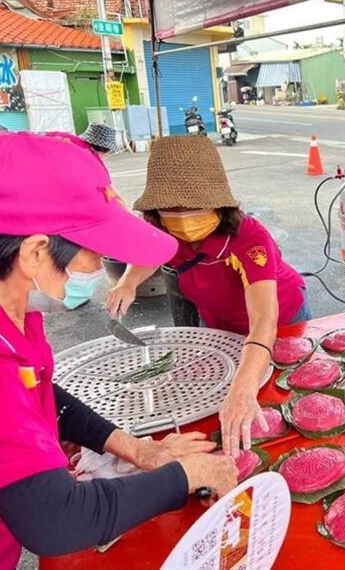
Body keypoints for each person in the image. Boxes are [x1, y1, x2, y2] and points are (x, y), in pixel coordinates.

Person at [0, 132, 237, 569]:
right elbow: (55, 520)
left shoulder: (11, 321)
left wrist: (140, 451)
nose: (98, 267)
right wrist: (186, 477)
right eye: (94, 250)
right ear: (34, 252)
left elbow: (42, 398)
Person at [106, 135, 311, 457]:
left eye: (194, 205)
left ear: (219, 201)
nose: (183, 217)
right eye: (172, 208)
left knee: (281, 400)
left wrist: (243, 389)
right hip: (219, 324)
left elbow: (263, 324)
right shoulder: (164, 230)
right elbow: (150, 253)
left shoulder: (249, 237)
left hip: (280, 319)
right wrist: (128, 283)